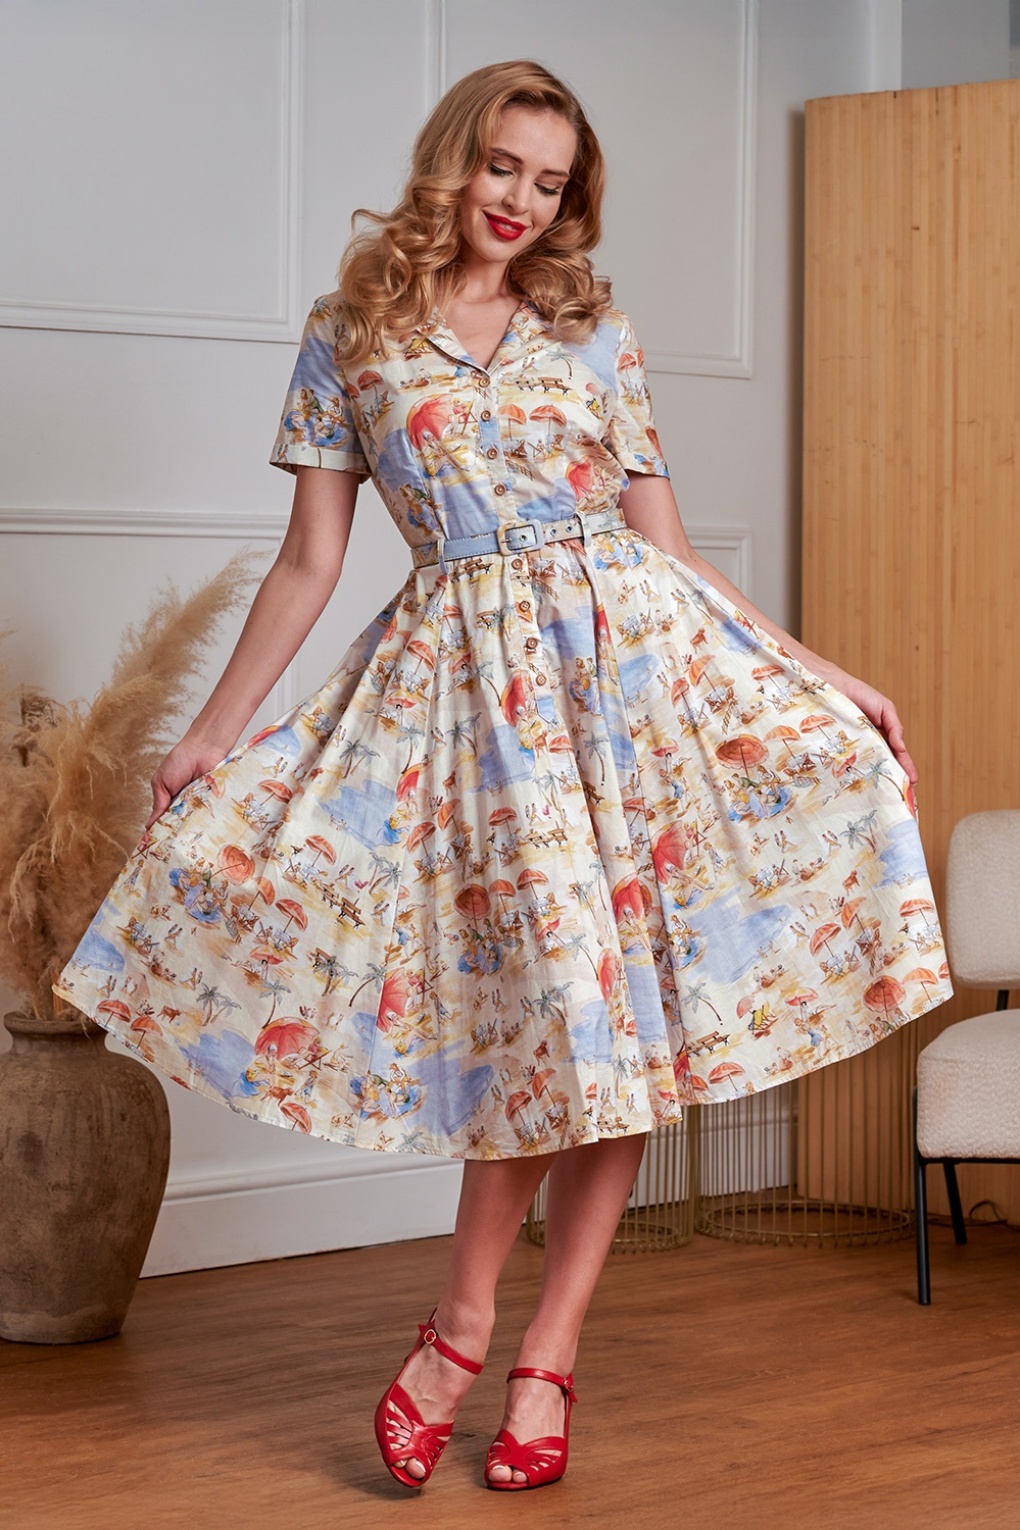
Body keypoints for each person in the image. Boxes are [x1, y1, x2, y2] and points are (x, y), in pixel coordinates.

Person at [54, 58, 951, 1493]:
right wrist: (215, 730)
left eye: (551, 182)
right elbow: (309, 563)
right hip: (473, 712)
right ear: (452, 160)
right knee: (552, 1027)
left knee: (621, 1030)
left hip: (634, 689)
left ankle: (544, 1353)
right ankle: (467, 1325)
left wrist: (818, 673)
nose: (523, 202)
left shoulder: (595, 331)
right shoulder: (350, 334)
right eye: (503, 168)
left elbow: (667, 549)